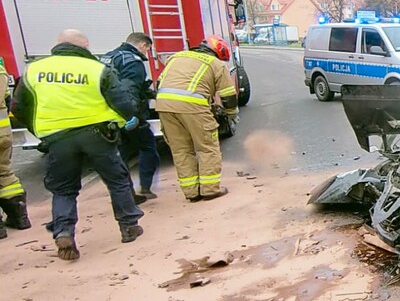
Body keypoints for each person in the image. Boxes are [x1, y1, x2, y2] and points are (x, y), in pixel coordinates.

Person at [11, 29, 144, 261]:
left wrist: (41, 131)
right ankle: (129, 227)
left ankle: (63, 232)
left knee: (63, 189)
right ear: (84, 46)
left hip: (57, 138)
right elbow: (122, 101)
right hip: (98, 135)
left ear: (57, 45)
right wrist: (129, 119)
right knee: (117, 180)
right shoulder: (96, 68)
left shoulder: (34, 70)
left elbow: (19, 108)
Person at [155, 36, 238, 202]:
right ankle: (210, 189)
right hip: (193, 106)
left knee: (181, 150)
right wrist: (231, 115)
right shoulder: (216, 64)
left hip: (164, 106)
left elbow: (159, 83)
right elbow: (228, 95)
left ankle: (192, 193)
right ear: (218, 53)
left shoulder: (176, 57)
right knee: (207, 147)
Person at [103, 33, 160, 203]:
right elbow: (129, 89)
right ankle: (145, 188)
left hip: (109, 115)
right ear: (142, 44)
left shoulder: (108, 57)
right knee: (148, 148)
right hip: (129, 115)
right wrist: (133, 115)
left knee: (121, 155)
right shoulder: (132, 61)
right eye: (148, 48)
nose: (147, 52)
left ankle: (126, 193)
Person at [0, 59, 31, 237]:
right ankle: (20, 217)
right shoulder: (1, 70)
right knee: (4, 172)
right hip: (3, 133)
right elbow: (7, 97)